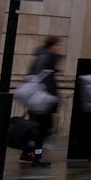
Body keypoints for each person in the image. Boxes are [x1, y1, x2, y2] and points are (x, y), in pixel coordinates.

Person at [25, 36, 65, 166]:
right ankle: (37, 156)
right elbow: (41, 81)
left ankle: (30, 152)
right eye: (57, 45)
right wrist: (50, 97)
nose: (58, 48)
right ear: (52, 45)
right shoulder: (45, 58)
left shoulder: (43, 58)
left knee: (39, 129)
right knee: (42, 130)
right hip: (42, 101)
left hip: (40, 100)